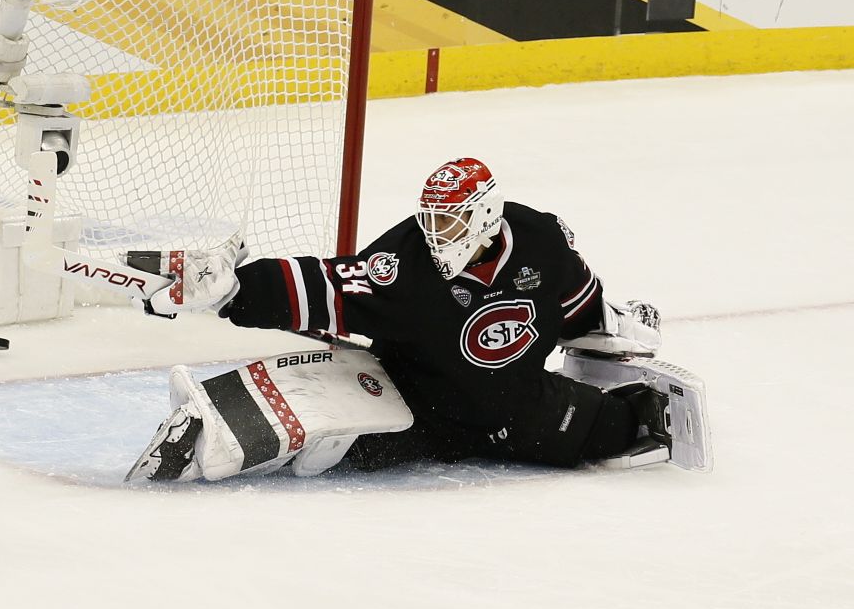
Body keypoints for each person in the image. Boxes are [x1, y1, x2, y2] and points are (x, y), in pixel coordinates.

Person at [128, 157, 675, 482]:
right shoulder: (405, 264)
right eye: (432, 218)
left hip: (520, 409)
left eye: (451, 221)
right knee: (327, 454)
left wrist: (616, 326)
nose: (438, 233)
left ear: (487, 215)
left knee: (618, 429)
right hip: (419, 406)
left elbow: (578, 307)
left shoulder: (541, 240)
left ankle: (632, 413)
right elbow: (326, 285)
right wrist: (236, 291)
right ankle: (204, 445)